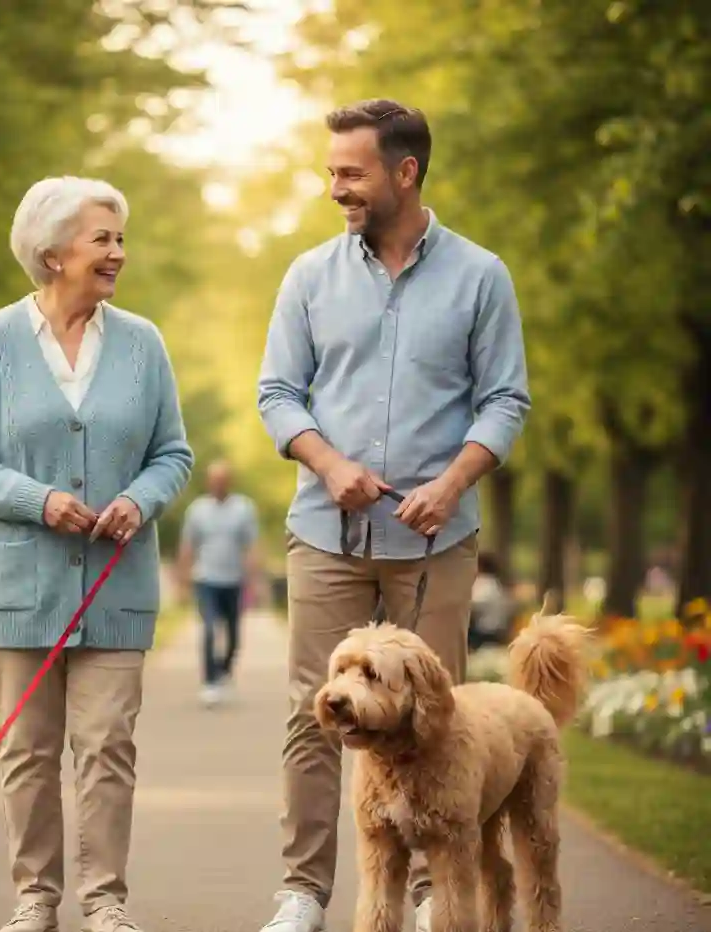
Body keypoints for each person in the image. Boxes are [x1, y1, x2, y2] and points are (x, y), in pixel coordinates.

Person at [256, 100, 531, 932]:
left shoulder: (481, 276)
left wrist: (450, 485)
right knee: (317, 708)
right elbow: (276, 393)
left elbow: (506, 398)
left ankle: (430, 897)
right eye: (332, 170)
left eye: (350, 172)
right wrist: (328, 461)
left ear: (404, 173)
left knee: (437, 720)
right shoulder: (309, 276)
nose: (334, 186)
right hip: (327, 533)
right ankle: (303, 892)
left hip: (434, 538)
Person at [0, 175, 194, 932]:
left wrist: (138, 501)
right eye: (102, 239)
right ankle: (36, 899)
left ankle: (107, 901)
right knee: (28, 753)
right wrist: (38, 499)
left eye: (120, 239)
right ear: (52, 253)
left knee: (108, 744)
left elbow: (171, 454)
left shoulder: (143, 344)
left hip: (115, 586)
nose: (119, 253)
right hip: (20, 587)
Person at [177, 460, 260, 707]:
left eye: (222, 479)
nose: (218, 484)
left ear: (229, 481)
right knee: (210, 628)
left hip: (234, 580)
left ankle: (223, 670)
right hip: (206, 579)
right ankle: (210, 681)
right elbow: (187, 545)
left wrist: (255, 580)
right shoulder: (197, 510)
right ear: (208, 482)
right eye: (214, 480)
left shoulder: (244, 508)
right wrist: (182, 578)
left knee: (233, 635)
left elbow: (252, 546)